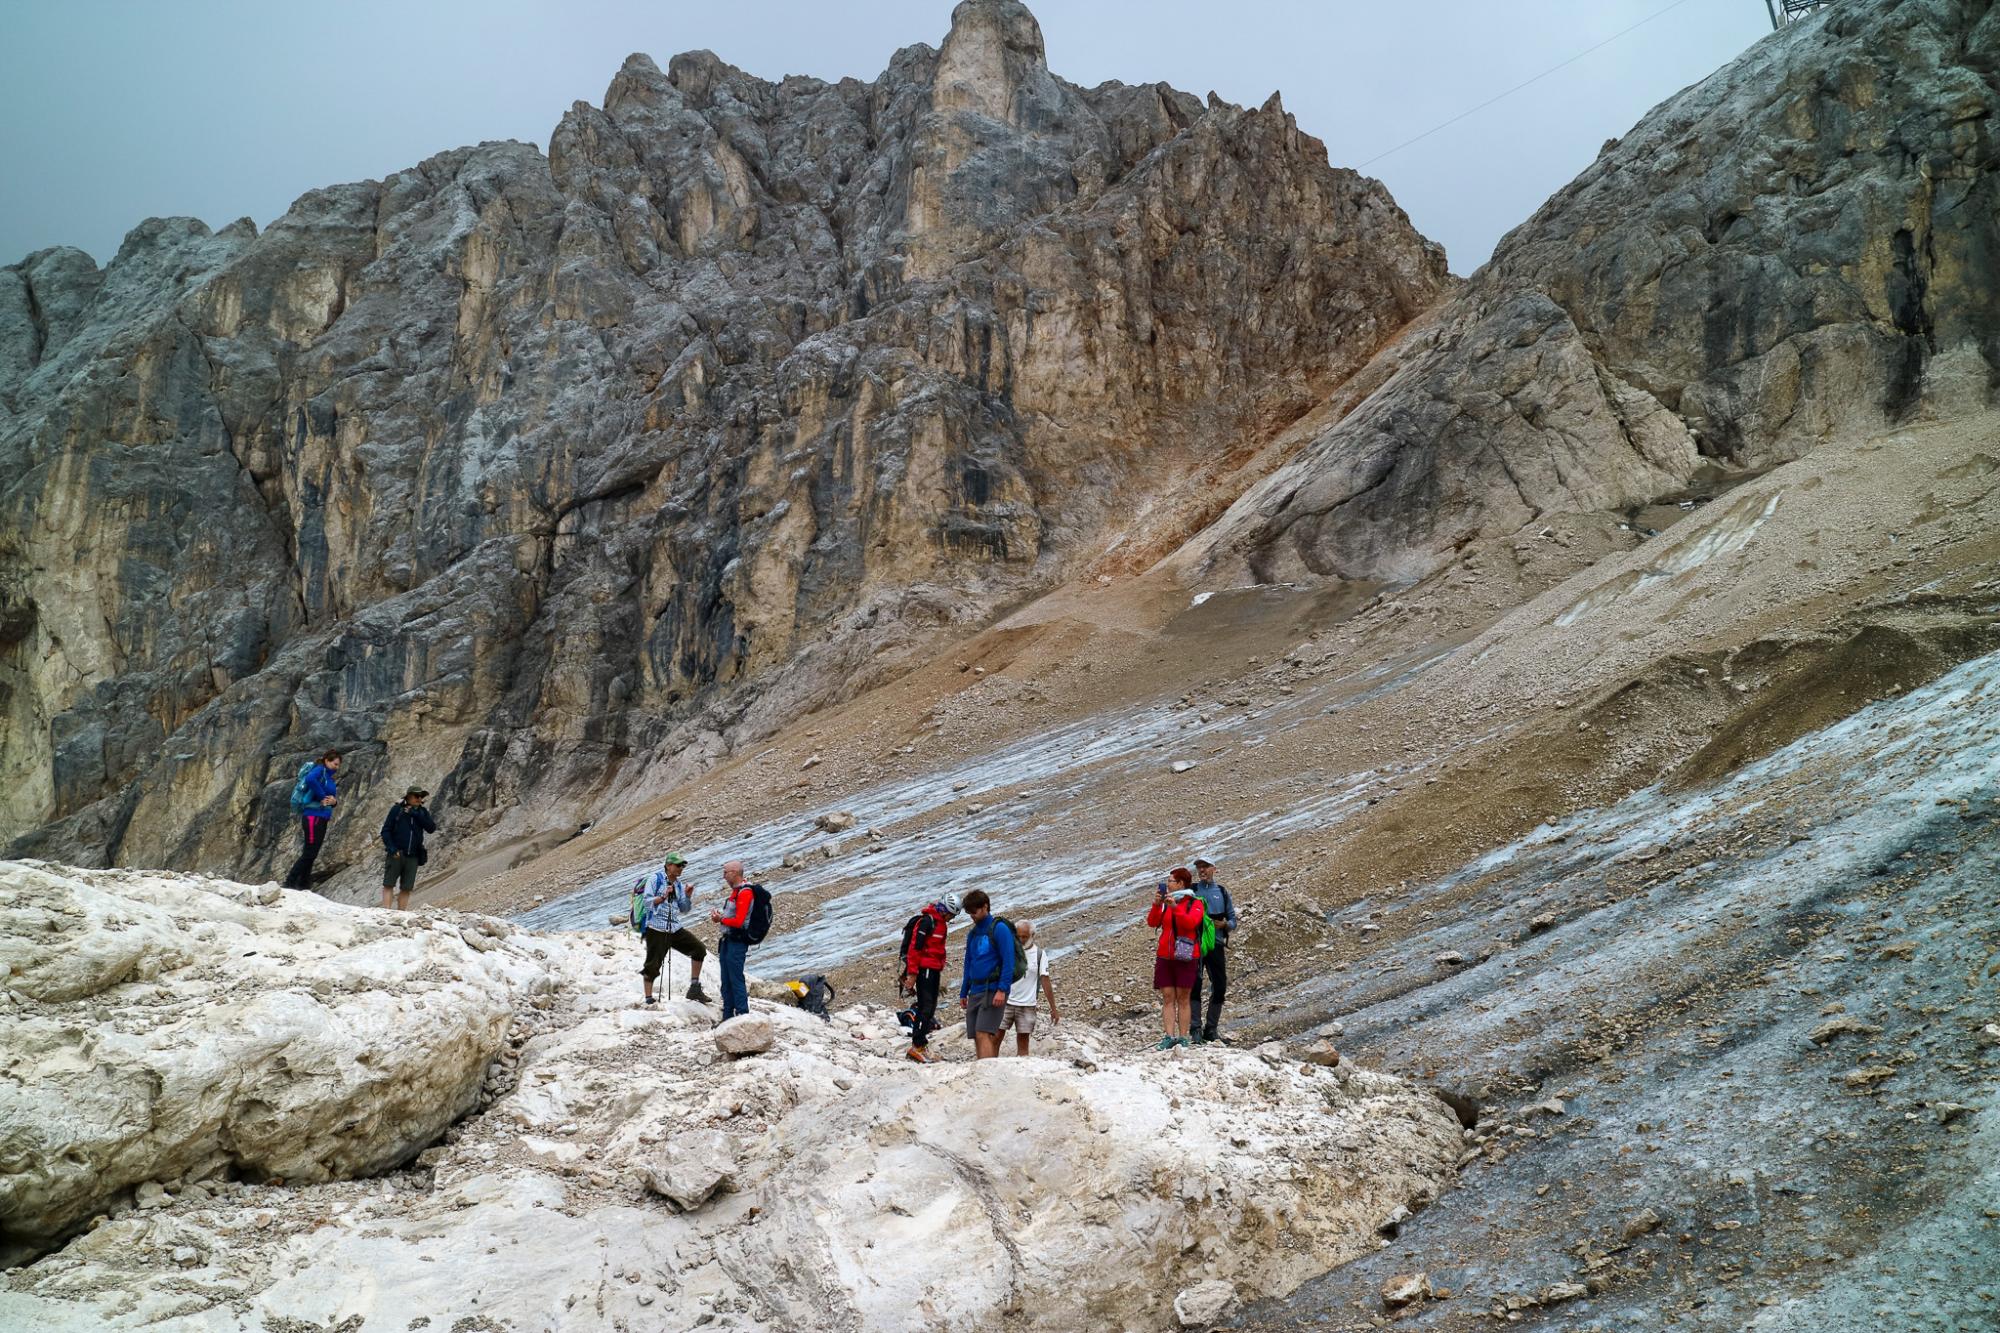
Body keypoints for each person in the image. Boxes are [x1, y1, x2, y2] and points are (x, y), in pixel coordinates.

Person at [640, 853, 711, 1006]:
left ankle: (694, 988)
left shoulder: (678, 884)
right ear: (668, 865)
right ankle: (648, 997)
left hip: (674, 928)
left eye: (683, 866)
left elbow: (684, 909)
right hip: (656, 927)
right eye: (678, 865)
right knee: (653, 963)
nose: (681, 869)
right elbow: (647, 902)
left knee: (699, 949)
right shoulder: (655, 879)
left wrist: (687, 896)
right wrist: (663, 897)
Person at [1147, 868, 1206, 1050]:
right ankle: (1168, 1036)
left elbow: (1190, 923)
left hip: (1186, 957)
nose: (1168, 884)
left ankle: (1183, 1037)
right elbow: (1152, 922)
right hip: (1165, 956)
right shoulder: (1165, 903)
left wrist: (1175, 908)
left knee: (1183, 998)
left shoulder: (1195, 903)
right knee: (1167, 997)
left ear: (1181, 883)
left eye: (1171, 881)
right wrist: (1157, 905)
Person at [900, 892, 961, 1064]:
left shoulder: (940, 923)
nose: (951, 918)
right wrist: (911, 974)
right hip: (924, 969)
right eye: (951, 915)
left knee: (931, 1006)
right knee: (925, 1007)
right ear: (945, 911)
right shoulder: (927, 922)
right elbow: (915, 948)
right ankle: (917, 1046)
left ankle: (921, 1044)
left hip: (933, 969)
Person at [957, 889, 1016, 1060]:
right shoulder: (973, 933)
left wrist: (1002, 989)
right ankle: (984, 1067)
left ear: (985, 907)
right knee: (976, 1034)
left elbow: (1008, 960)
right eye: (969, 913)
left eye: (973, 912)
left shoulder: (1000, 929)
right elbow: (969, 962)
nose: (971, 916)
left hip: (993, 988)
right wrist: (964, 991)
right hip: (975, 989)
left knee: (983, 1032)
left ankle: (987, 1073)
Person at [1188, 857, 1238, 1043]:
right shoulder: (1192, 891)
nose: (1201, 870)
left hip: (1216, 945)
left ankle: (1211, 1029)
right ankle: (1195, 1029)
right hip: (1195, 945)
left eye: (1205, 867)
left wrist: (1224, 924)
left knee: (1220, 985)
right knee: (1195, 986)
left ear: (1214, 869)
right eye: (1199, 868)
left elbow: (1233, 919)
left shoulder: (1222, 892)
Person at [282, 750, 342, 890]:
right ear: (327, 760)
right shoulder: (320, 770)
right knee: (310, 853)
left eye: (338, 765)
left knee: (312, 852)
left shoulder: (328, 776)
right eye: (335, 763)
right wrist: (322, 796)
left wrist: (334, 802)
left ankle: (303, 884)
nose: (337, 767)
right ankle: (290, 882)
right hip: (313, 817)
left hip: (321, 817)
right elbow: (310, 779)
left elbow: (330, 799)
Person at [1001, 919, 1059, 1056]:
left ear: (1032, 935)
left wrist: (1053, 1008)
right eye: (1018, 936)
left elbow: (1045, 980)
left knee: (1023, 1041)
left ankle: (1021, 1070)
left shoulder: (1040, 955)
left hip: (1027, 1005)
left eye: (1024, 937)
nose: (1021, 939)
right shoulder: (1009, 951)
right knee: (996, 1036)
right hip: (1005, 1003)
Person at [710, 860, 757, 1021]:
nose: (724, 876)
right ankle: (728, 1015)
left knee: (735, 978)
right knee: (726, 979)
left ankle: (743, 1015)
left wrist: (720, 919)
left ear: (735, 873)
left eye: (726, 873)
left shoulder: (745, 893)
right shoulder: (737, 892)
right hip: (728, 941)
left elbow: (739, 921)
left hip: (737, 941)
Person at [378, 786, 437, 910]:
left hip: (414, 855)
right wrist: (392, 848)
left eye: (421, 796)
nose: (419, 799)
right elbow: (386, 831)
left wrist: (414, 814)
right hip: (397, 853)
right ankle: (386, 912)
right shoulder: (396, 810)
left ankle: (401, 914)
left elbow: (431, 828)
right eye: (416, 796)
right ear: (408, 796)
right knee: (389, 884)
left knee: (406, 887)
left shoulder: (422, 812)